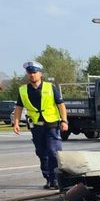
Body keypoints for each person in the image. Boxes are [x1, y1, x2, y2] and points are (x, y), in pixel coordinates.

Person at [13, 61, 69, 189]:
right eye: (30, 73)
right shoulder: (23, 90)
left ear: (40, 74)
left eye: (34, 72)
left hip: (52, 125)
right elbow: (19, 107)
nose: (32, 75)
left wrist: (64, 121)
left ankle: (55, 179)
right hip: (36, 126)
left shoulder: (50, 87)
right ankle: (48, 178)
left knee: (53, 152)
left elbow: (61, 105)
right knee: (41, 153)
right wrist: (16, 123)